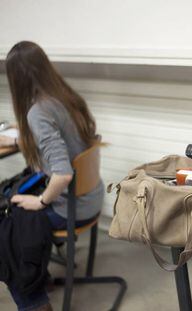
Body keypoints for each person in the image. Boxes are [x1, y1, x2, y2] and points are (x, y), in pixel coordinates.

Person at [0, 41, 104, 311]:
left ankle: (35, 303)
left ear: (17, 78)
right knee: (10, 199)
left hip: (70, 206)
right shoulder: (67, 97)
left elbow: (63, 174)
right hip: (91, 197)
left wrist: (41, 202)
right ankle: (40, 277)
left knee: (7, 233)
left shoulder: (38, 112)